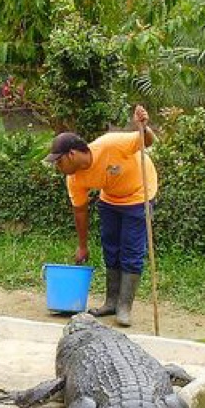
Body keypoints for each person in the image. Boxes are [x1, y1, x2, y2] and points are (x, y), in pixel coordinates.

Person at [45, 105, 156, 327]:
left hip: (138, 194)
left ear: (72, 154)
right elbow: (80, 210)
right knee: (111, 248)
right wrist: (82, 246)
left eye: (59, 161)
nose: (57, 166)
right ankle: (111, 302)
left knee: (131, 251)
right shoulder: (74, 178)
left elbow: (147, 141)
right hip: (111, 198)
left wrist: (144, 126)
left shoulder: (111, 144)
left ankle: (124, 307)